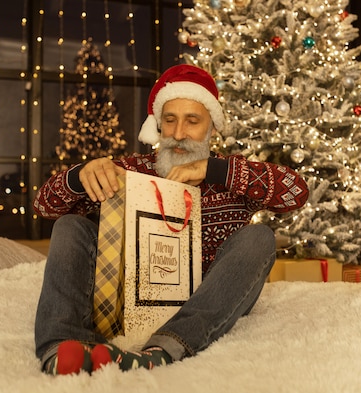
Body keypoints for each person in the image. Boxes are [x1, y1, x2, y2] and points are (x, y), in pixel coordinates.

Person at [33, 64, 310, 375]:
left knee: (260, 238)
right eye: (170, 120)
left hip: (207, 300)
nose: (179, 134)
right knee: (70, 225)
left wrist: (214, 170)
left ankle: (165, 349)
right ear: (158, 125)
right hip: (129, 302)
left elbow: (295, 193)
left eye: (192, 121)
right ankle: (65, 348)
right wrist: (78, 175)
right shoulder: (131, 170)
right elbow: (45, 207)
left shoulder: (231, 176)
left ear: (212, 128)